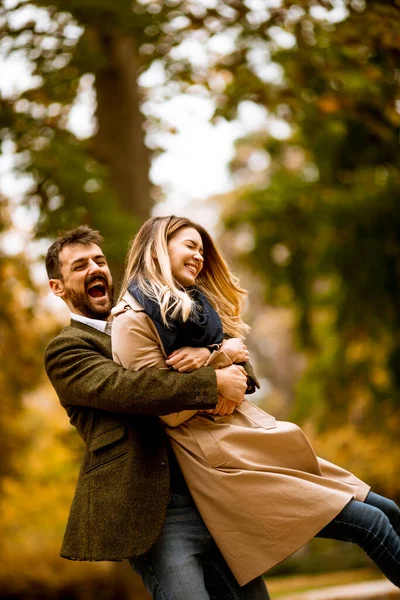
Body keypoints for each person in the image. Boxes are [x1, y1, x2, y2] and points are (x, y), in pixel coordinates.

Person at [112, 215, 400, 590]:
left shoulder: (199, 307)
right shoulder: (131, 319)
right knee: (371, 524)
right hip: (222, 460)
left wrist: (212, 354)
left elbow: (242, 374)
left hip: (251, 438)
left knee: (388, 509)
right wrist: (218, 364)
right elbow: (163, 408)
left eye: (202, 250)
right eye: (189, 246)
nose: (198, 257)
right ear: (158, 248)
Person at [44, 226, 269, 600]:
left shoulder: (151, 318)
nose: (95, 269)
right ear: (58, 287)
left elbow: (240, 371)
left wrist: (218, 353)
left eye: (99, 260)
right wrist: (212, 381)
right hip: (155, 514)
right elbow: (128, 388)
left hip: (212, 491)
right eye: (80, 266)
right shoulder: (67, 349)